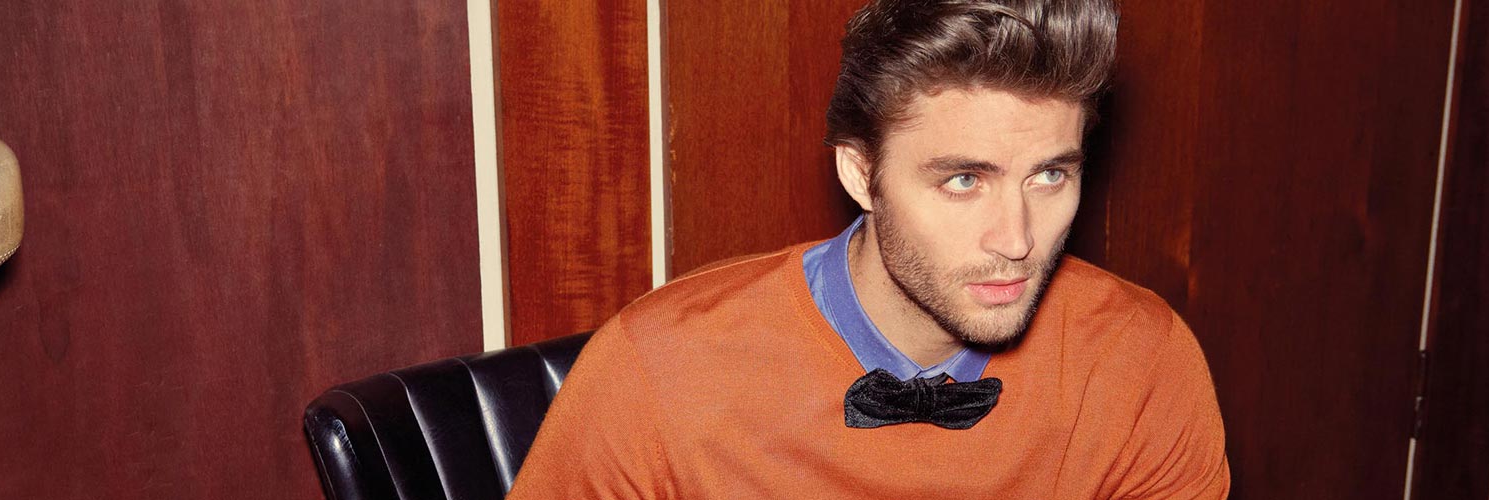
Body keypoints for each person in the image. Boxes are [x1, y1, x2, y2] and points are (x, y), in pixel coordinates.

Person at [507, 0, 1230, 498]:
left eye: (1049, 175)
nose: (1016, 240)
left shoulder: (1140, 362)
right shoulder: (658, 372)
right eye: (962, 180)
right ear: (861, 174)